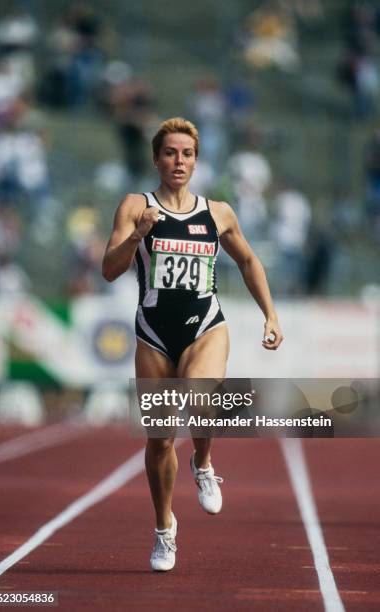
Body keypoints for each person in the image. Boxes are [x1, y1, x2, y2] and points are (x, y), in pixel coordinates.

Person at [102, 117, 283, 572]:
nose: (178, 161)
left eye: (186, 154)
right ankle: (165, 530)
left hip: (205, 322)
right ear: (156, 159)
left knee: (202, 401)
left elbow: (247, 260)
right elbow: (109, 268)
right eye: (169, 153)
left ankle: (203, 461)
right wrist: (140, 234)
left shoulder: (218, 212)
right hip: (154, 332)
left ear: (196, 160)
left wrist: (271, 314)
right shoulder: (134, 205)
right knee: (160, 438)